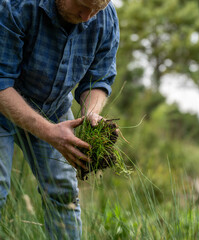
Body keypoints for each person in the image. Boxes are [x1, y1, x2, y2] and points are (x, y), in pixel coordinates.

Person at [0, 0, 119, 238]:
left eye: (96, 10)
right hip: (4, 102)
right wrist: (50, 133)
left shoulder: (104, 18)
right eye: (83, 5)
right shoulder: (17, 6)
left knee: (63, 193)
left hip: (54, 108)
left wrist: (90, 113)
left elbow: (99, 78)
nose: (87, 17)